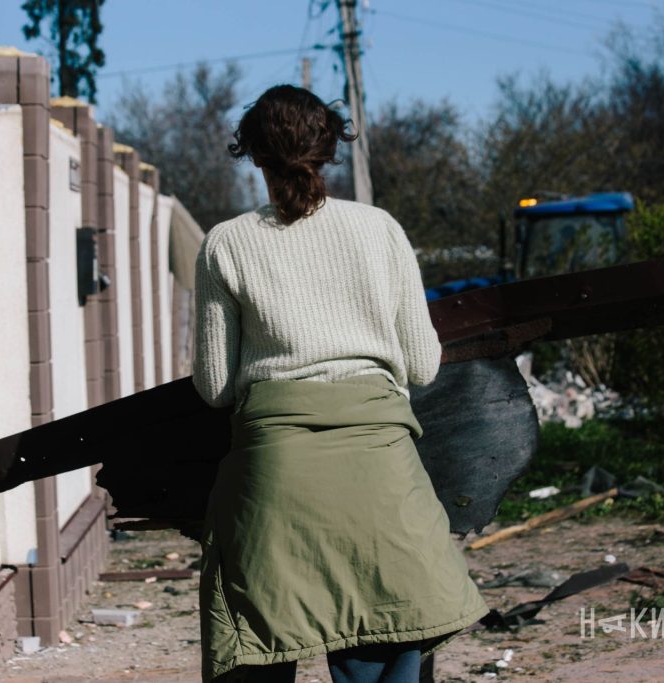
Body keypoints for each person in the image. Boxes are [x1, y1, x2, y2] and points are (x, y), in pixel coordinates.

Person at [192, 84, 490, 683]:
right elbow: (424, 365)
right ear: (330, 150)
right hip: (378, 471)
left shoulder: (226, 243)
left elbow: (216, 385)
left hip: (276, 480)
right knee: (383, 637)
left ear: (254, 156)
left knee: (260, 642)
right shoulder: (380, 230)